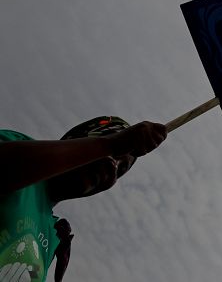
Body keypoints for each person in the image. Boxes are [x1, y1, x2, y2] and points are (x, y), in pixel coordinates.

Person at [0, 117, 167, 282]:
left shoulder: (54, 234)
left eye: (121, 169)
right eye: (116, 153)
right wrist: (109, 145)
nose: (113, 167)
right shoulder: (16, 144)